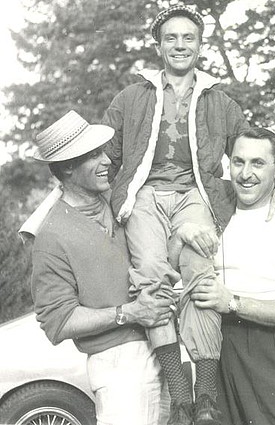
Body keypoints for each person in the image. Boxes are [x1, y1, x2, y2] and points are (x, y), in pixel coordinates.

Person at [102, 4, 275, 425]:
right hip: (145, 195)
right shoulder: (130, 97)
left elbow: (255, 151)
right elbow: (105, 158)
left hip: (196, 194)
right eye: (171, 38)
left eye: (188, 38)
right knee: (150, 276)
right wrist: (91, 207)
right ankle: (180, 397)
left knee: (202, 271)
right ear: (158, 45)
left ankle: (206, 396)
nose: (180, 45)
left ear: (200, 44)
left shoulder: (221, 102)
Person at [27, 110, 174, 425]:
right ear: (67, 167)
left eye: (103, 151)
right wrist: (129, 313)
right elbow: (59, 321)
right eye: (93, 155)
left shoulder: (121, 197)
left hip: (170, 348)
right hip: (121, 365)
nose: (107, 160)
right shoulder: (51, 236)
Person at [189, 128, 275, 425]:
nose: (245, 174)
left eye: (258, 163)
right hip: (218, 346)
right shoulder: (214, 209)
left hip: (273, 348)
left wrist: (232, 302)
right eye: (238, 162)